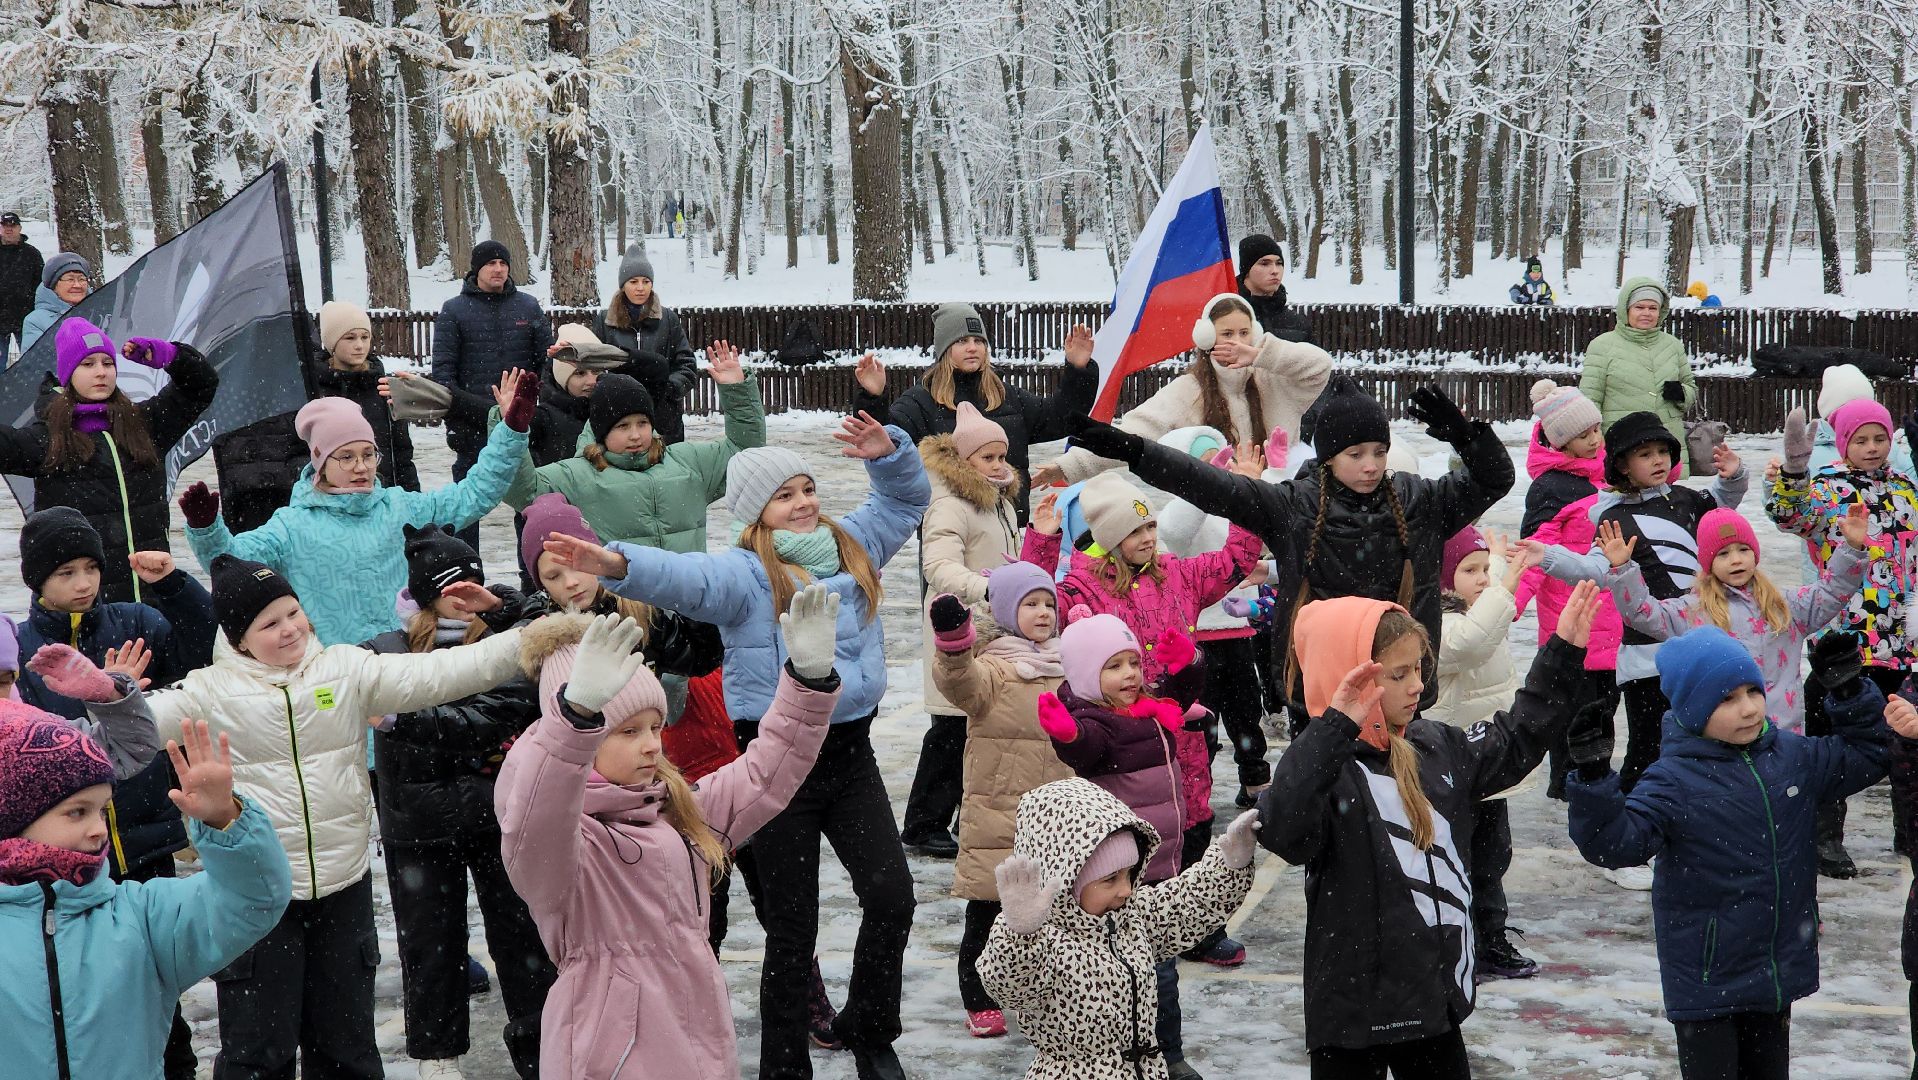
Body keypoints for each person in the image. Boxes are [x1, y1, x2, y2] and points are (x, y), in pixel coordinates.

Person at [539, 415, 930, 1080]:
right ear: (758, 514)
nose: (804, 502)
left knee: (892, 895)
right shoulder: (745, 576)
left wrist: (889, 454)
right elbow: (684, 577)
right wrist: (618, 564)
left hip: (851, 754)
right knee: (792, 927)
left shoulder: (854, 545)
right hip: (776, 759)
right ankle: (784, 1068)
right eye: (785, 496)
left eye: (807, 489)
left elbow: (903, 501)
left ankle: (870, 1031)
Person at [67, 554, 538, 1080]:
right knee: (258, 1052)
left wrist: (542, 636)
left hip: (343, 889)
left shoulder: (346, 669)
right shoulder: (207, 691)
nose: (289, 629)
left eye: (293, 613)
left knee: (347, 1049)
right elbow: (128, 739)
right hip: (254, 902)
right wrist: (113, 700)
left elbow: (451, 670)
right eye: (269, 623)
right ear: (240, 639)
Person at [499, 590, 841, 1080]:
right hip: (609, 1054)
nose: (650, 745)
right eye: (627, 731)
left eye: (654, 727)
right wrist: (573, 723)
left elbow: (765, 775)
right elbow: (539, 816)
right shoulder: (563, 841)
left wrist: (806, 685)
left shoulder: (677, 813)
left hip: (698, 1035)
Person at [1260, 584, 1597, 1078]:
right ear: (1347, 679)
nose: (1417, 685)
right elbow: (1282, 829)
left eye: (1419, 668)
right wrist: (1333, 727)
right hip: (1353, 1017)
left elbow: (1516, 738)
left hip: (1432, 1003)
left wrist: (1562, 653)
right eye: (1398, 675)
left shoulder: (1434, 745)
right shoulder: (1322, 769)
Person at [1064, 378, 1514, 723]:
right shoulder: (1292, 504)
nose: (1372, 464)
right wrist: (1136, 451)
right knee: (1326, 808)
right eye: (1356, 453)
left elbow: (1496, 479)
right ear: (1329, 457)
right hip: (1318, 681)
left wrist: (1466, 435)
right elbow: (1210, 485)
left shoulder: (1421, 502)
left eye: (1379, 451)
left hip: (1401, 682)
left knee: (1395, 802)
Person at [1565, 627, 1898, 1080]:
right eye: (1726, 699)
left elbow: (1871, 752)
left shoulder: (1792, 756)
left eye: (1752, 691)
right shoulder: (1672, 780)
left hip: (1774, 970)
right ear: (1691, 709)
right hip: (1706, 978)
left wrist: (1850, 691)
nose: (1748, 708)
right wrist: (1592, 777)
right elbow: (1614, 844)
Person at [1520, 411, 1748, 887]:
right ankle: (1617, 838)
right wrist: (1549, 557)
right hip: (1645, 653)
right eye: (1645, 455)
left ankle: (1685, 829)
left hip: (1701, 643)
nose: (1658, 461)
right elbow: (1598, 569)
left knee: (1701, 739)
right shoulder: (1613, 516)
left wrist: (1736, 476)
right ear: (1622, 465)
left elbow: (1723, 515)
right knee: (1649, 746)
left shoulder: (1690, 499)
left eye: (1663, 452)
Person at [363, 525, 559, 1078]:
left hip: (502, 820)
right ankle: (437, 1059)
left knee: (525, 945)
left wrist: (402, 719)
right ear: (424, 595)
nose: (464, 593)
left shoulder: (510, 645)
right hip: (417, 828)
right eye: (451, 585)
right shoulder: (382, 651)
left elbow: (492, 715)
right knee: (429, 950)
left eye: (473, 581)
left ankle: (542, 1055)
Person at [0, 713, 293, 1080]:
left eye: (102, 811)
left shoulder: (141, 916)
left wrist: (225, 820)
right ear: (11, 816)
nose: (98, 830)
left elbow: (251, 901)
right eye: (76, 812)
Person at [178, 368, 538, 649]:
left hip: (406, 667)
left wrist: (511, 431)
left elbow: (474, 496)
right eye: (346, 457)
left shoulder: (400, 508)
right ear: (320, 462)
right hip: (336, 677)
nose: (361, 467)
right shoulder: (291, 526)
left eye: (368, 454)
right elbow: (230, 562)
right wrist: (207, 527)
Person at [974, 778, 1258, 1080]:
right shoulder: (1044, 940)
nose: (1125, 889)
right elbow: (1011, 986)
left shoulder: (1130, 919)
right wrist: (1019, 935)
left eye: (1129, 874)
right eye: (1110, 879)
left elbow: (1186, 903)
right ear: (1066, 881)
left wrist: (1229, 864)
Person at [1030, 611, 1212, 1079]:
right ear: (1090, 676)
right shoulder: (1096, 721)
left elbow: (1186, 691)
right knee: (1153, 971)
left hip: (1165, 862)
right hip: (1123, 873)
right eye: (1114, 667)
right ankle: (1154, 1055)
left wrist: (1187, 661)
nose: (1130, 674)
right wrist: (1066, 733)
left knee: (1161, 969)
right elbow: (1084, 747)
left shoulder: (1151, 708)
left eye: (1134, 662)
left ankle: (1164, 1051)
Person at [1766, 398, 1918, 878]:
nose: (1872, 449)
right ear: (1844, 441)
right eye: (1861, 440)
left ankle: (1908, 828)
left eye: (1879, 439)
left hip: (1900, 638)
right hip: (1844, 637)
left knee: (1905, 738)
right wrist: (1792, 473)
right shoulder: (1828, 487)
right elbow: (1789, 516)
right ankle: (1825, 835)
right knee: (1833, 741)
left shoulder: (1905, 489)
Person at [926, 565, 1074, 1039]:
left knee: (1053, 911)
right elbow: (959, 682)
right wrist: (953, 644)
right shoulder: (993, 667)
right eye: (1031, 604)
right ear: (1009, 612)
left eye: (1049, 604)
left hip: (1054, 815)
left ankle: (1043, 988)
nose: (1043, 613)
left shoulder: (1066, 664)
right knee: (990, 911)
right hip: (1000, 814)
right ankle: (978, 995)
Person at [0, 318, 218, 605]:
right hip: (89, 608)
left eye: (108, 363)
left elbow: (201, 386)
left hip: (153, 600)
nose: (101, 372)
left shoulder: (146, 424)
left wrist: (172, 357)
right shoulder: (47, 439)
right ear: (68, 373)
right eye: (88, 364)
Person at [1600, 505, 1871, 734]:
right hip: (1721, 738)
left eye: (1743, 549)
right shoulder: (1691, 612)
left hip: (1784, 734)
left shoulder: (1784, 606)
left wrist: (1851, 547)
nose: (1736, 560)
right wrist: (1623, 568)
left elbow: (1832, 591)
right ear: (1707, 562)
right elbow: (1642, 614)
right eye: (1723, 554)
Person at [1034, 292, 1329, 487]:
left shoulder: (1274, 379)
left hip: (1281, 512)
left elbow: (1320, 367)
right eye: (1226, 333)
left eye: (1244, 333)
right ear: (1206, 338)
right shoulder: (1189, 390)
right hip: (1220, 522)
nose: (1236, 342)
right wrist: (1068, 466)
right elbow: (1133, 432)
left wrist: (1261, 354)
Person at [902, 402, 1025, 859]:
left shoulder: (999, 504)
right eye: (987, 458)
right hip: (959, 627)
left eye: (1001, 457)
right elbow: (938, 565)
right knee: (951, 731)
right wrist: (986, 589)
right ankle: (923, 822)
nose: (998, 466)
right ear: (963, 461)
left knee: (978, 728)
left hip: (994, 629)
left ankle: (958, 816)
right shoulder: (951, 505)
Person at [500, 341, 763, 552]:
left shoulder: (688, 463)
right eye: (622, 427)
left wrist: (737, 391)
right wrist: (511, 427)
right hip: (621, 608)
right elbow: (524, 492)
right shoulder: (576, 476)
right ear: (602, 432)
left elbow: (744, 452)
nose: (635, 435)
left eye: (642, 423)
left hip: (689, 608)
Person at [854, 301, 1096, 521]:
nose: (972, 348)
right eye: (961, 341)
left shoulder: (1005, 395)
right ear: (945, 349)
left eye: (978, 340)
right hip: (948, 529)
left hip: (1007, 525)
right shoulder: (921, 401)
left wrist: (1078, 370)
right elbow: (886, 443)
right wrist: (872, 397)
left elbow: (1060, 418)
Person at [1430, 527, 1546, 982]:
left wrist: (1495, 565)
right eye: (1468, 570)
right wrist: (1503, 581)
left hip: (1487, 761)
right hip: (1453, 764)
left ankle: (1491, 938)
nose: (1482, 579)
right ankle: (1456, 946)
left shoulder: (1483, 607)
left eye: (1484, 570)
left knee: (1492, 858)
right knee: (1454, 860)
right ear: (1442, 579)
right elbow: (1471, 641)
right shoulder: (1440, 622)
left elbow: (1487, 607)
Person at [1153, 424, 1283, 810]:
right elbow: (1175, 532)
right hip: (1198, 635)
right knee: (1201, 718)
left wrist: (1268, 477)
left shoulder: (1227, 512)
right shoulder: (1177, 513)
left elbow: (1260, 526)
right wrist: (1201, 488)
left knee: (1246, 710)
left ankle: (1256, 778)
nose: (1218, 471)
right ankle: (1196, 781)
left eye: (1220, 463)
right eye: (1206, 465)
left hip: (1236, 628)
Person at [1513, 379, 1622, 800]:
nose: (1596, 440)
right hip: (1570, 617)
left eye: (1597, 430)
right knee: (1570, 707)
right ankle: (1565, 781)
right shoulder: (1551, 490)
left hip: (1613, 617)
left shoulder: (1609, 477)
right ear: (1561, 444)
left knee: (1605, 706)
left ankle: (1594, 774)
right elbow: (1532, 554)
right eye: (1584, 436)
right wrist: (1510, 602)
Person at [431, 240, 554, 552]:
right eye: (490, 263)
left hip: (522, 425)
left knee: (531, 509)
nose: (498, 269)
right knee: (465, 511)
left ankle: (535, 580)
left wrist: (527, 406)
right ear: (476, 269)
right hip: (471, 427)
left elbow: (547, 363)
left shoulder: (528, 307)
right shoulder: (454, 311)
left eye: (503, 263)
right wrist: (484, 412)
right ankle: (467, 579)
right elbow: (444, 375)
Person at [591, 243, 699, 445]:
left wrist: (669, 389)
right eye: (633, 281)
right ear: (623, 285)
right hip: (618, 415)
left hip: (663, 416)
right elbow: (593, 366)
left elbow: (687, 365)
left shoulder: (667, 319)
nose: (640, 288)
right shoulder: (605, 321)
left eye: (646, 281)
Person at [1578, 277, 1696, 451]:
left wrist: (1681, 393)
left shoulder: (1672, 345)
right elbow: (1590, 398)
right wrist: (1595, 437)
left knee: (1663, 478)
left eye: (1653, 308)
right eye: (1639, 307)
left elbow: (1691, 389)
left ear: (1660, 312)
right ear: (1626, 310)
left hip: (1665, 441)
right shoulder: (1602, 345)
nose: (1646, 313)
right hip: (1621, 442)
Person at [1235, 234, 1313, 342]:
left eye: (1279, 263)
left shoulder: (1297, 323)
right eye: (1265, 263)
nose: (1275, 270)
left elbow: (1316, 358)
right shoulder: (1224, 317)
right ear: (1246, 269)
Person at [20, 251, 87, 356]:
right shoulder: (36, 321)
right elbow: (35, 363)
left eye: (82, 279)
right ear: (54, 285)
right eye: (70, 279)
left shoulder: (98, 312)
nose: (77, 285)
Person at [0, 212, 44, 355]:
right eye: (5, 225)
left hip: (25, 318)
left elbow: (41, 285)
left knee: (30, 360)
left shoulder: (31, 254)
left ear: (20, 228)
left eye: (13, 225)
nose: (9, 229)